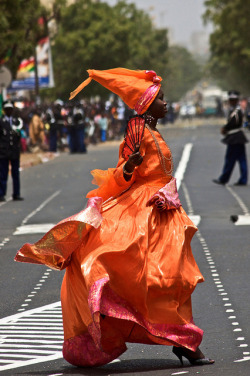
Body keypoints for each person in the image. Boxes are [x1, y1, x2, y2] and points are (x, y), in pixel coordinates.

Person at [15, 68, 214, 367]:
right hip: (144, 213)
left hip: (165, 213)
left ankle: (182, 340)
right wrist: (130, 166)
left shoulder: (154, 132)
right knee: (150, 277)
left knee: (173, 280)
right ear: (147, 106)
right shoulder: (136, 135)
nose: (166, 102)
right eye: (160, 99)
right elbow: (122, 176)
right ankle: (180, 340)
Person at [213, 90, 248, 185]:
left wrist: (225, 128)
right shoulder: (234, 109)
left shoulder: (236, 111)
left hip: (235, 137)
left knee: (230, 159)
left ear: (236, 100)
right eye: (230, 99)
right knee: (241, 159)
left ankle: (224, 178)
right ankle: (243, 179)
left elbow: (233, 122)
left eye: (233, 100)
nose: (231, 101)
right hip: (237, 137)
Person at [0, 100, 24, 201]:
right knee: (3, 174)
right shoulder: (1, 122)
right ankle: (1, 194)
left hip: (14, 151)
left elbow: (19, 136)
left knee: (15, 174)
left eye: (10, 109)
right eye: (7, 109)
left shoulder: (16, 121)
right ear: (4, 110)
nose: (9, 111)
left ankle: (16, 193)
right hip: (3, 152)